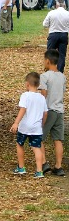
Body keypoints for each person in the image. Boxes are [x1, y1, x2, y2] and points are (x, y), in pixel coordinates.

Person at [9, 72, 47, 178]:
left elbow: (23, 109)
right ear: (39, 85)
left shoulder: (25, 96)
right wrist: (42, 123)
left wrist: (16, 123)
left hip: (25, 126)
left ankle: (21, 167)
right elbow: (45, 113)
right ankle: (39, 171)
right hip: (36, 127)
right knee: (36, 147)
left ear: (27, 84)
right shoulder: (42, 98)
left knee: (20, 144)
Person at [39, 49, 65, 177]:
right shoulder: (62, 76)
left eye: (44, 61)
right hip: (60, 111)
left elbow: (43, 93)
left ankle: (44, 163)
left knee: (40, 137)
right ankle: (58, 166)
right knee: (58, 139)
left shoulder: (44, 76)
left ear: (48, 61)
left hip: (49, 110)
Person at [42, 0, 69, 73]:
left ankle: (49, 70)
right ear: (64, 5)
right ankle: (60, 72)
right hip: (64, 35)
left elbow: (45, 24)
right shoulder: (67, 13)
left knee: (50, 53)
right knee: (62, 55)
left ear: (56, 5)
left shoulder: (51, 13)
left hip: (53, 34)